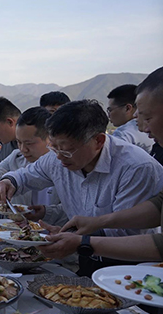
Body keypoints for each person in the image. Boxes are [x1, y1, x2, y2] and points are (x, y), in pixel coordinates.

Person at [0, 99, 163, 276]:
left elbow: (126, 232)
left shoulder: (135, 167)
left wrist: (79, 240)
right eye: (54, 148)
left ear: (98, 141)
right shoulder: (57, 157)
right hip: (86, 255)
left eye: (66, 151)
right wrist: (9, 182)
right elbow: (27, 175)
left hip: (130, 268)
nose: (58, 157)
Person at [35, 67, 163, 263]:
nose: (143, 128)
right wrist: (93, 225)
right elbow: (158, 207)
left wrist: (82, 242)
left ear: (98, 141)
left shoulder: (137, 165)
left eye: (147, 118)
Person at [107, 84, 154, 153]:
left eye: (110, 110)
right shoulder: (153, 128)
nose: (109, 115)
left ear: (128, 108)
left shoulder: (123, 134)